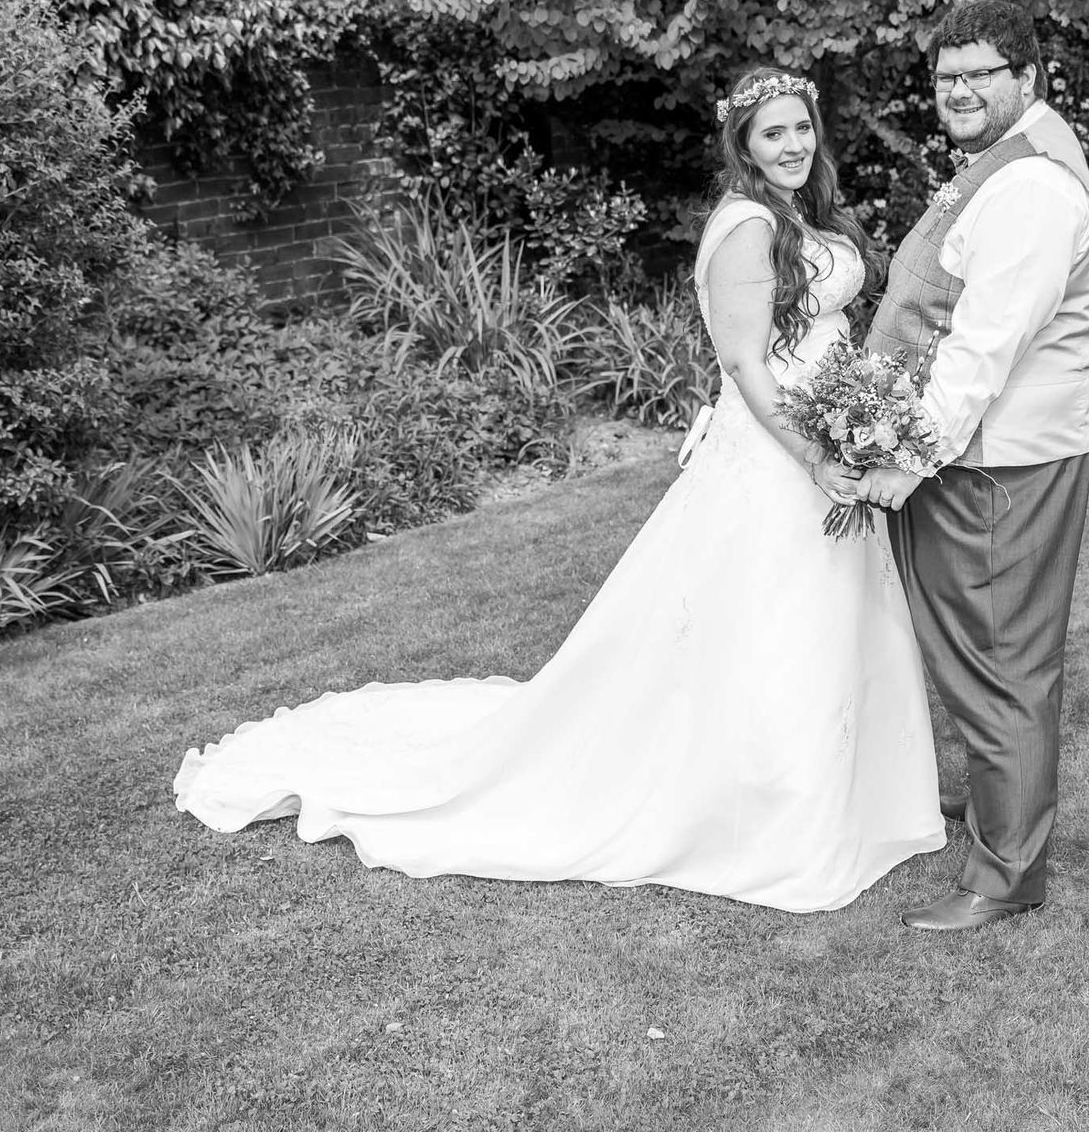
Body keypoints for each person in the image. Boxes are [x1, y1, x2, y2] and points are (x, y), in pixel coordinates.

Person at [172, 66, 946, 913]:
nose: (793, 144)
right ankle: (766, 813)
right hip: (778, 453)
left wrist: (859, 415)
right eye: (774, 134)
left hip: (824, 438)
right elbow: (745, 367)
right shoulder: (748, 228)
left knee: (820, 619)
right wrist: (813, 455)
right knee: (771, 621)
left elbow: (816, 333)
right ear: (743, 145)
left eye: (802, 128)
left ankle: (845, 797)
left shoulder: (805, 214)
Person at [857, 0, 1089, 932]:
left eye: (980, 74)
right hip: (982, 454)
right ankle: (998, 802)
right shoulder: (1000, 168)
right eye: (945, 76)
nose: (957, 90)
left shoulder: (1034, 190)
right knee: (972, 644)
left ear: (1028, 79)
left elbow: (981, 350)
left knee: (1004, 656)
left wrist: (905, 461)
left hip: (1003, 462)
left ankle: (1007, 874)